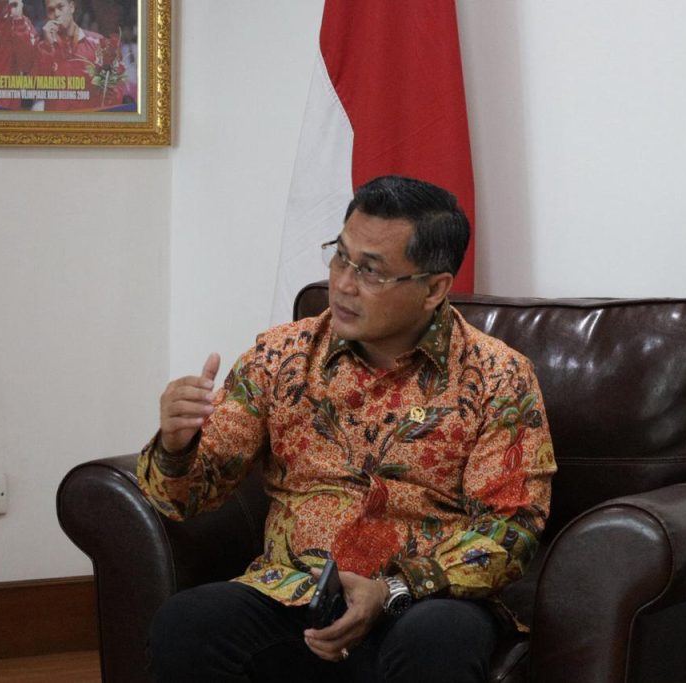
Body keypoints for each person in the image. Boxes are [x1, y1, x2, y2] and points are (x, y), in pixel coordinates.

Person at [139, 175, 556, 683]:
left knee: (438, 639)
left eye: (371, 271)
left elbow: (511, 530)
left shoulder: (497, 378)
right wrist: (176, 446)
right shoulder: (281, 356)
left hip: (424, 600)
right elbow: (185, 499)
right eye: (341, 257)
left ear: (434, 288)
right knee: (187, 625)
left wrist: (394, 589)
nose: (343, 284)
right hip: (294, 591)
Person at [33, 0, 131, 111]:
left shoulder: (99, 44)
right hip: (57, 120)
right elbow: (35, 86)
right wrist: (48, 46)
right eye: (51, 10)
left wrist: (110, 93)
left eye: (60, 7)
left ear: (71, 7)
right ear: (46, 16)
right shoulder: (42, 49)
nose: (56, 14)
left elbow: (116, 93)